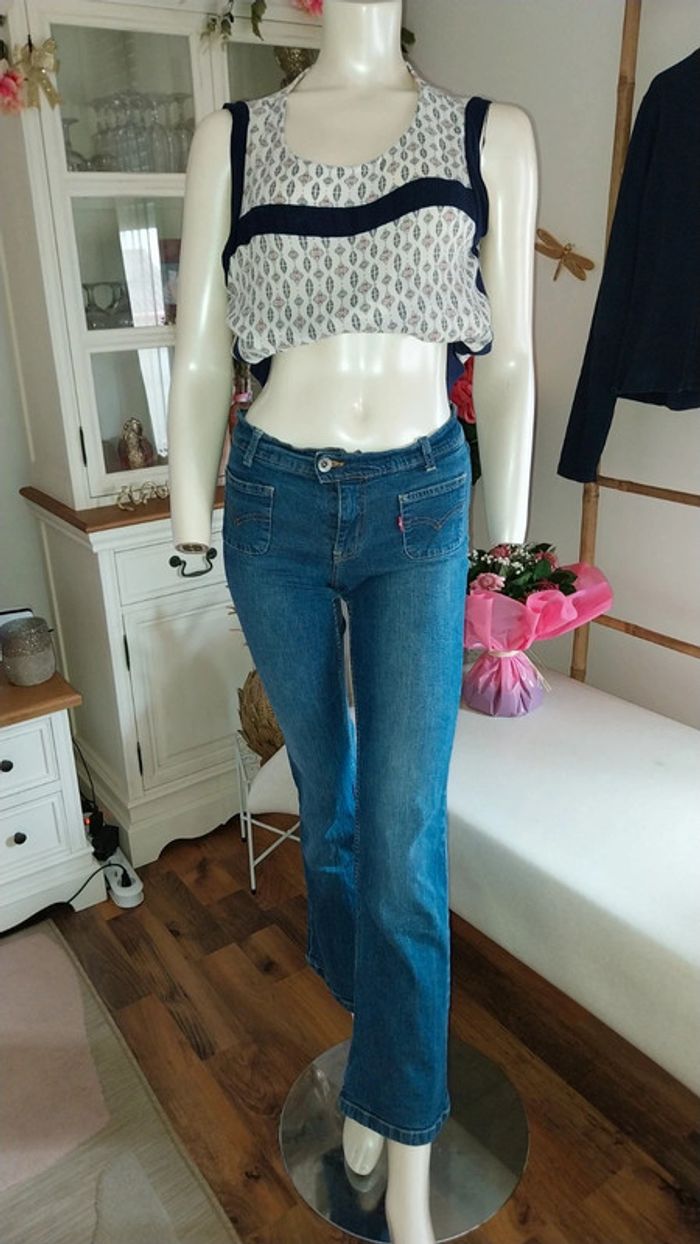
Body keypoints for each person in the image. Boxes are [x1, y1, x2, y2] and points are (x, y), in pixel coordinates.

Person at [167, 3, 537, 1240]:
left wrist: (508, 549)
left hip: (418, 507)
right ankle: (380, 1042)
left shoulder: (487, 135)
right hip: (272, 504)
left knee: (402, 838)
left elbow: (511, 359)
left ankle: (407, 1173)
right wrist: (186, 506)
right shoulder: (232, 139)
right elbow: (200, 351)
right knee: (324, 811)